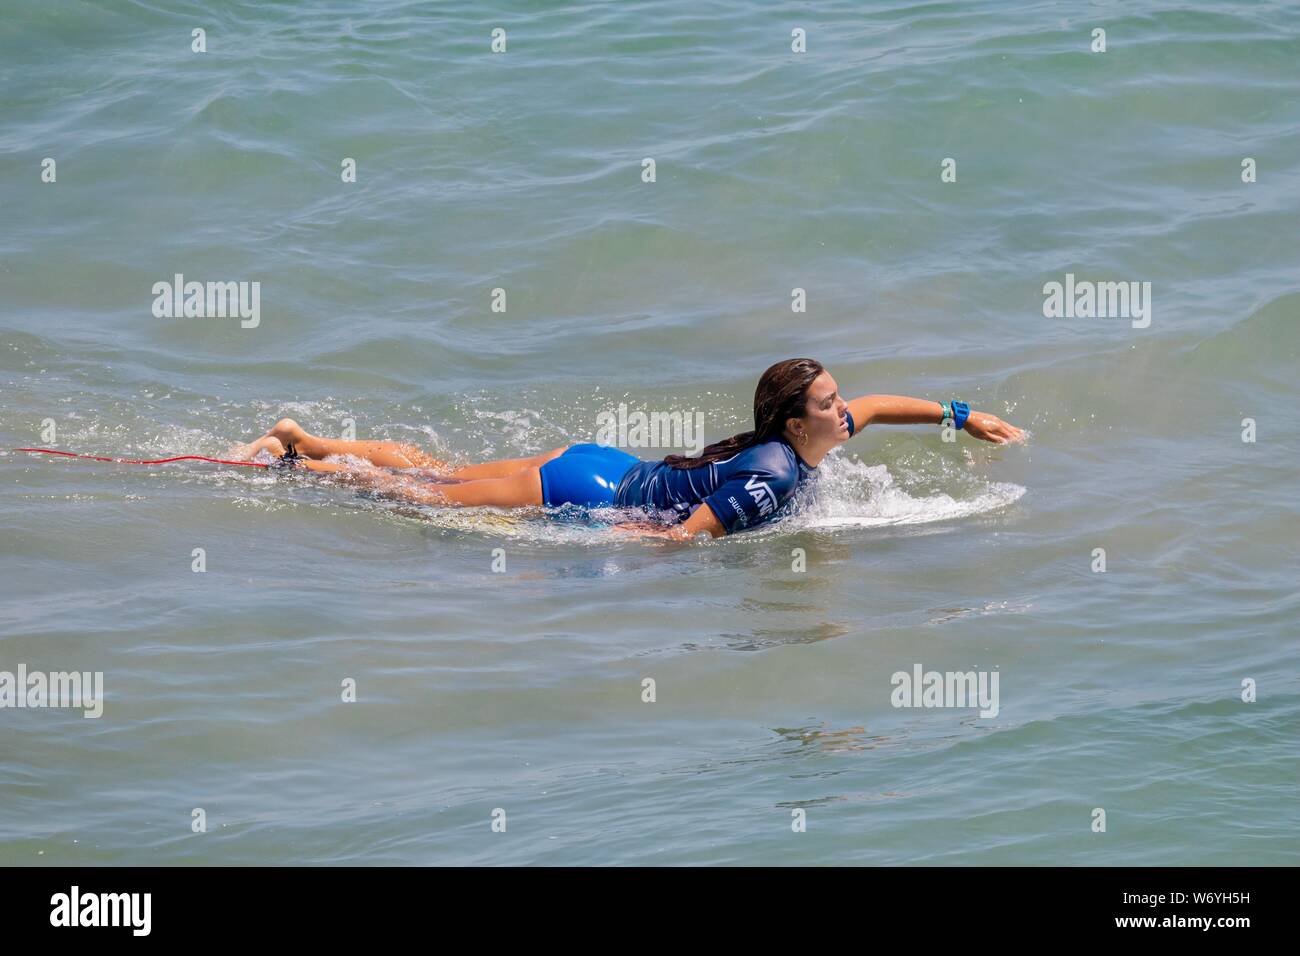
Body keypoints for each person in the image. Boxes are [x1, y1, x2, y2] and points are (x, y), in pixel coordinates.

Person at [229, 358, 1023, 539]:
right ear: (793, 422)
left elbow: (882, 407)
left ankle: (305, 437)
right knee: (428, 497)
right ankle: (302, 470)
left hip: (605, 460)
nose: (844, 410)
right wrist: (592, 550)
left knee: (444, 471)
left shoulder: (804, 438)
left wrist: (962, 413)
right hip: (593, 490)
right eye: (828, 403)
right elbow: (681, 541)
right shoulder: (775, 478)